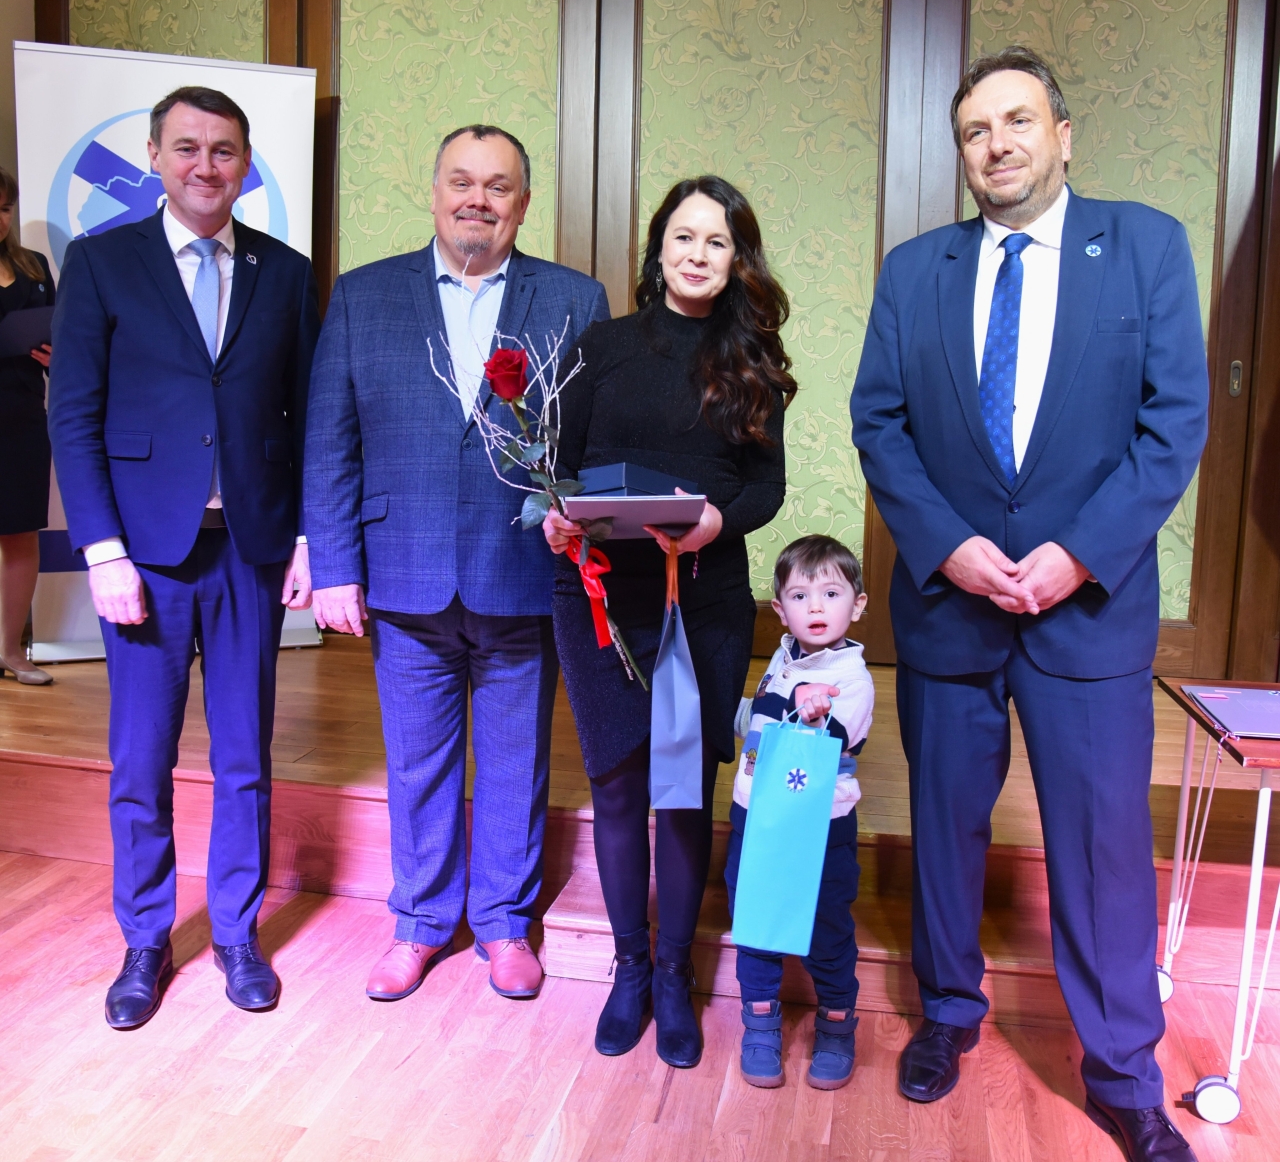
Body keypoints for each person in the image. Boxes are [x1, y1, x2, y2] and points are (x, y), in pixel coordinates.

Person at [850, 47, 1208, 1162]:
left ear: (1063, 134)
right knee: (945, 831)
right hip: (950, 607)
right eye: (975, 130)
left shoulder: (1145, 247)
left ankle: (1123, 1072)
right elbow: (879, 423)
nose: (995, 144)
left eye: (1016, 121)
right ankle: (948, 1012)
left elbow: (1173, 422)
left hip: (1085, 614)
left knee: (1103, 847)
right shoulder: (914, 270)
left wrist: (1080, 554)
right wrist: (948, 547)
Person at [305, 125, 609, 1003]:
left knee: (515, 759)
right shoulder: (363, 296)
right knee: (417, 761)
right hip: (404, 568)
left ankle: (505, 923)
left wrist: (585, 527)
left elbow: (593, 440)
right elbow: (330, 440)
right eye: (462, 182)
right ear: (434, 191)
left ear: (524, 202)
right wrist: (334, 565)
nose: (478, 199)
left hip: (522, 568)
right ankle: (421, 921)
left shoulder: (574, 300)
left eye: (498, 185)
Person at [48, 86, 320, 1029]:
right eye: (189, 148)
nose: (207, 165)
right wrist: (102, 550)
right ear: (156, 157)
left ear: (246, 164)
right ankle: (145, 938)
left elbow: (310, 417)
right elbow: (73, 416)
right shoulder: (101, 263)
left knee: (245, 756)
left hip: (250, 549)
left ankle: (237, 934)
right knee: (140, 760)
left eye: (225, 150)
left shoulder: (288, 274)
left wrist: (308, 538)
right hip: (144, 556)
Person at [542, 175, 795, 1069]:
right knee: (617, 783)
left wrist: (717, 523)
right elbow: (557, 468)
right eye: (683, 237)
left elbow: (767, 487)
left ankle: (676, 971)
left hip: (705, 599)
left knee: (683, 787)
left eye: (717, 242)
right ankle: (628, 967)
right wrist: (554, 517)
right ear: (657, 249)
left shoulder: (753, 361)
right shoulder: (601, 348)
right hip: (602, 596)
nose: (697, 254)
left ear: (737, 260)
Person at [725, 535, 873, 1091]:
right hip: (757, 815)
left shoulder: (852, 678)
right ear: (779, 610)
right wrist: (718, 705)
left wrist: (810, 711)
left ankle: (836, 1022)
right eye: (800, 595)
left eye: (831, 593)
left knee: (826, 925)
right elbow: (757, 722)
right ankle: (760, 1019)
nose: (816, 606)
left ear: (856, 605)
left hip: (819, 826)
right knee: (755, 918)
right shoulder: (781, 661)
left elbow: (832, 733)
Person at [0, 167, 55, 685]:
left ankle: (11, 651)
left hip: (22, 419)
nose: (0, 219)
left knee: (20, 534)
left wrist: (56, 356)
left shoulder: (33, 266)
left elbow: (58, 335)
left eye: (4, 208)